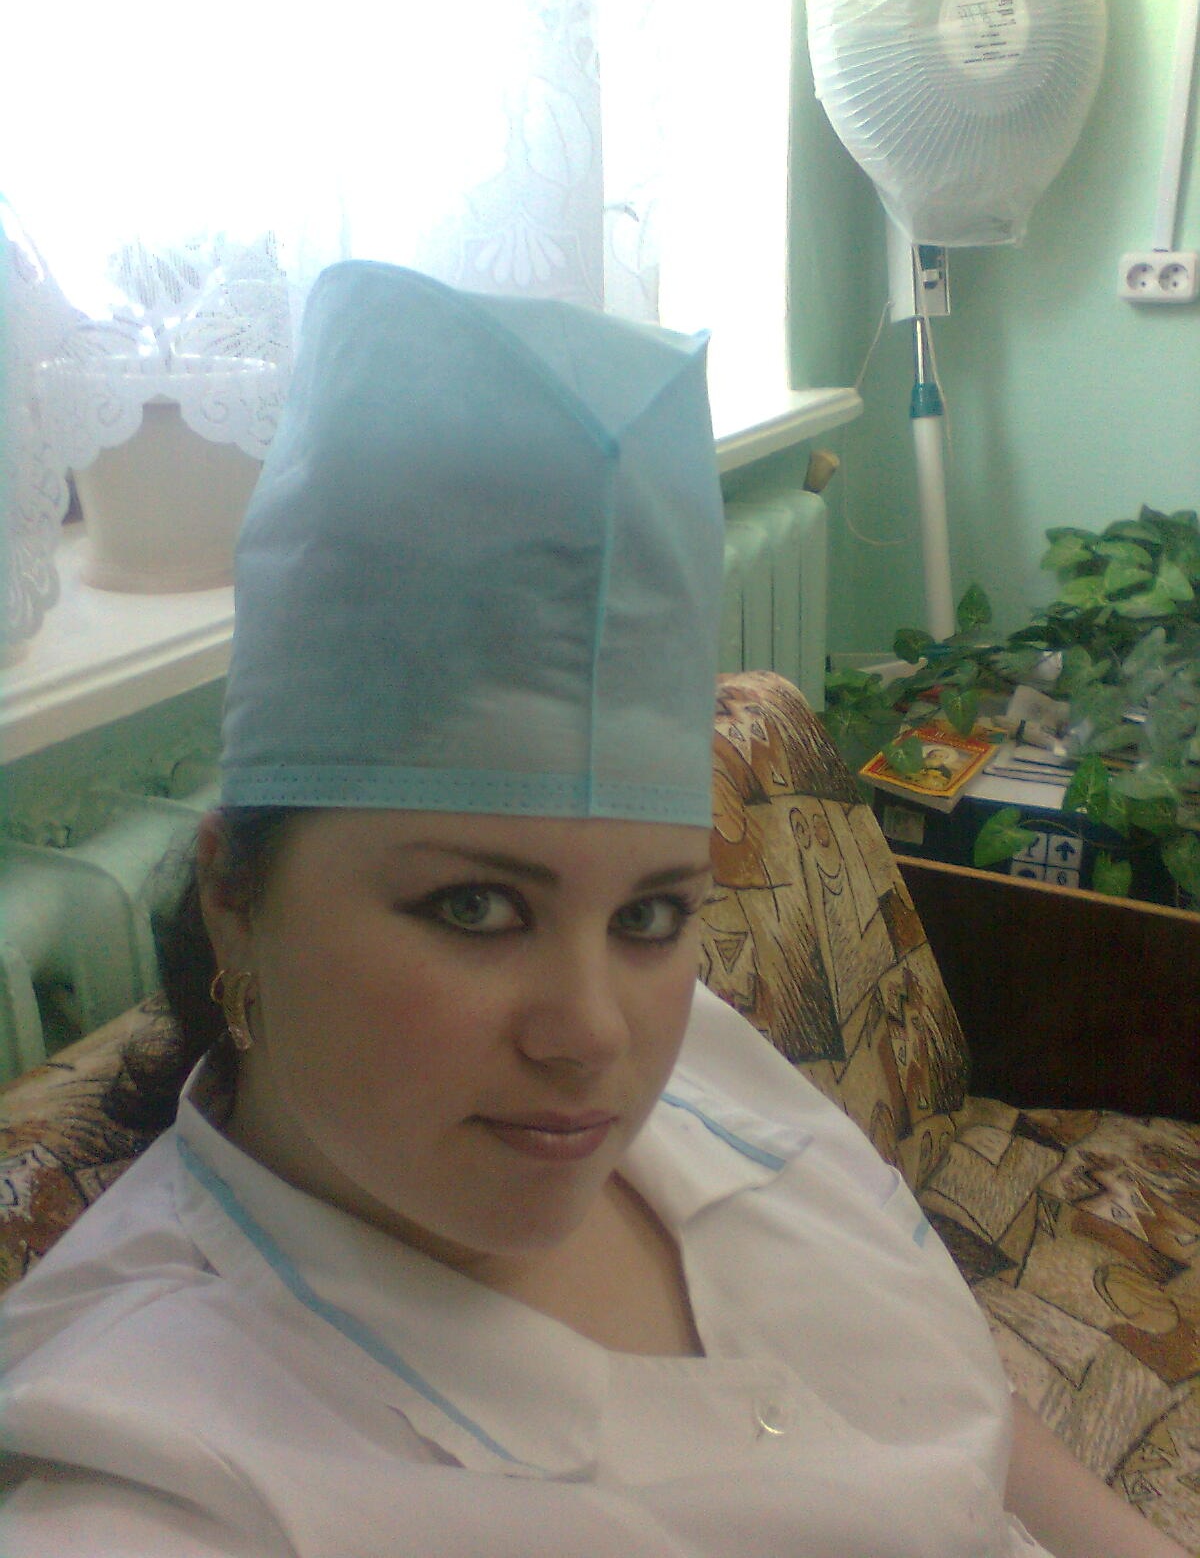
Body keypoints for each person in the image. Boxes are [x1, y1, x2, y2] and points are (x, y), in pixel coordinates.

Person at [0, 263, 1187, 1558]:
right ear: (236, 896)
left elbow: (960, 1418)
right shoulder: (161, 1485)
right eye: (475, 906)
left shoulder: (702, 1055)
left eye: (651, 915)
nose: (594, 1033)